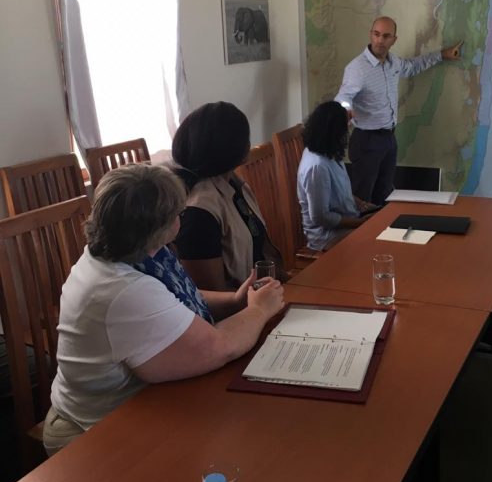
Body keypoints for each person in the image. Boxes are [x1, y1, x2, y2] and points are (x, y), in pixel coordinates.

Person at [42, 164, 284, 455]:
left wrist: (234, 302)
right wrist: (259, 310)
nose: (181, 220)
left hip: (137, 408)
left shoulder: (127, 251)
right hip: (91, 431)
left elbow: (172, 303)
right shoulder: (123, 289)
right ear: (159, 227)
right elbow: (220, 347)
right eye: (178, 215)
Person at [335, 16, 462, 204]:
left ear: (394, 40)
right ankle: (361, 233)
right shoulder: (357, 68)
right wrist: (346, 110)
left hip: (388, 139)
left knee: (385, 194)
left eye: (386, 36)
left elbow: (413, 66)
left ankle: (380, 232)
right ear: (370, 35)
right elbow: (342, 97)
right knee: (362, 198)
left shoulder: (393, 62)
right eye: (376, 34)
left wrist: (443, 55)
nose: (380, 40)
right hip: (366, 141)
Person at [172, 101, 287, 291]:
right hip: (239, 312)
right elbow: (211, 294)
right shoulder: (199, 212)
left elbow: (263, 251)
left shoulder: (233, 183)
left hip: (260, 296)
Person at [297, 101, 376, 251]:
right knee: (377, 239)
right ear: (334, 132)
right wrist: (360, 223)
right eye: (345, 126)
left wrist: (364, 205)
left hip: (348, 221)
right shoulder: (317, 166)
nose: (349, 128)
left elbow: (341, 192)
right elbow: (321, 217)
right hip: (326, 236)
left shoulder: (328, 151)